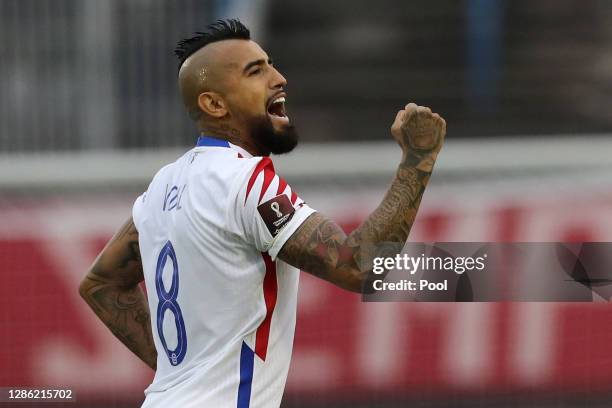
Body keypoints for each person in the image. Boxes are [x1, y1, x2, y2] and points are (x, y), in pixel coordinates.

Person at [78, 19, 446, 408]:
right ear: (214, 104)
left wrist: (183, 378)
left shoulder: (160, 189)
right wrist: (418, 159)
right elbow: (358, 266)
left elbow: (100, 284)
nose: (280, 78)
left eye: (271, 64)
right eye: (256, 71)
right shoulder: (246, 181)